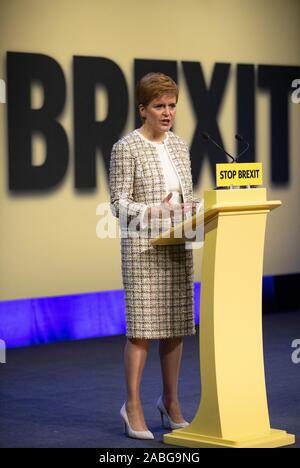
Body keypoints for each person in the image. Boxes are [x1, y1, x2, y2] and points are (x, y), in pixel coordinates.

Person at [109, 72, 200, 440]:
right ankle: (132, 407)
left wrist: (192, 212)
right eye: (159, 106)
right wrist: (154, 212)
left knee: (176, 327)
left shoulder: (179, 146)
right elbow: (118, 205)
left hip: (176, 246)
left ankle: (171, 403)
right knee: (143, 330)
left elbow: (186, 196)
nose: (167, 113)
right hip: (143, 249)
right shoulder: (126, 148)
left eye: (172, 106)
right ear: (142, 109)